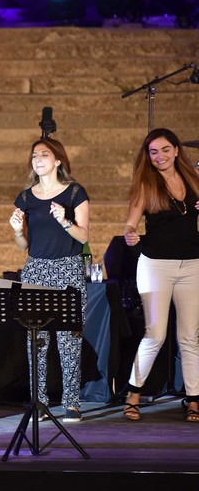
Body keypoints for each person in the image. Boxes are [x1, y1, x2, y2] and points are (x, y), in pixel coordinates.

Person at [121, 128, 199, 423]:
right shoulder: (146, 185)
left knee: (190, 337)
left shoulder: (193, 178)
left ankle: (193, 400)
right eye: (153, 152)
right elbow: (130, 224)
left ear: (177, 150)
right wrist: (130, 235)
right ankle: (133, 394)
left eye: (165, 150)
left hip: (193, 265)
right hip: (156, 266)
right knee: (155, 333)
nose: (160, 156)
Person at [9, 136, 89, 423]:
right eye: (34, 156)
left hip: (67, 269)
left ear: (57, 160)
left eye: (44, 154)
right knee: (37, 341)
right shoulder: (26, 197)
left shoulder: (74, 193)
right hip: (36, 270)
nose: (38, 159)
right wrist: (18, 230)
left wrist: (65, 220)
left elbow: (84, 236)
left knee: (69, 340)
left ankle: (72, 403)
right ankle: (39, 402)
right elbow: (23, 245)